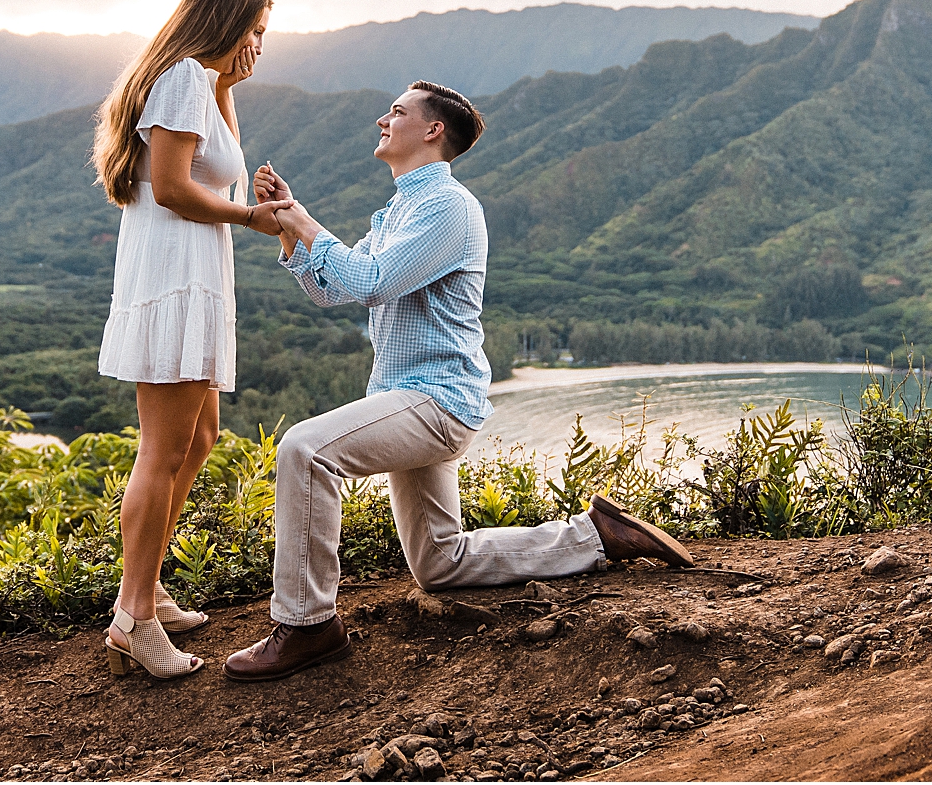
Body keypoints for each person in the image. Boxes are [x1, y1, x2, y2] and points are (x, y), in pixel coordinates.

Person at [226, 82, 697, 682]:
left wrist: (301, 216)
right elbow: (333, 288)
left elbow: (370, 281)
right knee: (440, 564)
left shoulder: (447, 207)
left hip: (436, 401)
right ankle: (595, 537)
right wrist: (290, 229)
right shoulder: (400, 210)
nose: (381, 119)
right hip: (408, 400)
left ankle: (306, 624)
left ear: (432, 131)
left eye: (396, 112)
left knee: (304, 449)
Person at [92, 0, 288, 680]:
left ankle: (144, 589)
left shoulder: (201, 84)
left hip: (196, 276)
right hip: (175, 277)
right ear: (227, 21)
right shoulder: (178, 79)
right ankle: (133, 619)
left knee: (197, 436)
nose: (260, 45)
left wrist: (228, 85)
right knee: (162, 449)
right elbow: (175, 188)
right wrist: (251, 217)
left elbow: (219, 169)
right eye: (256, 29)